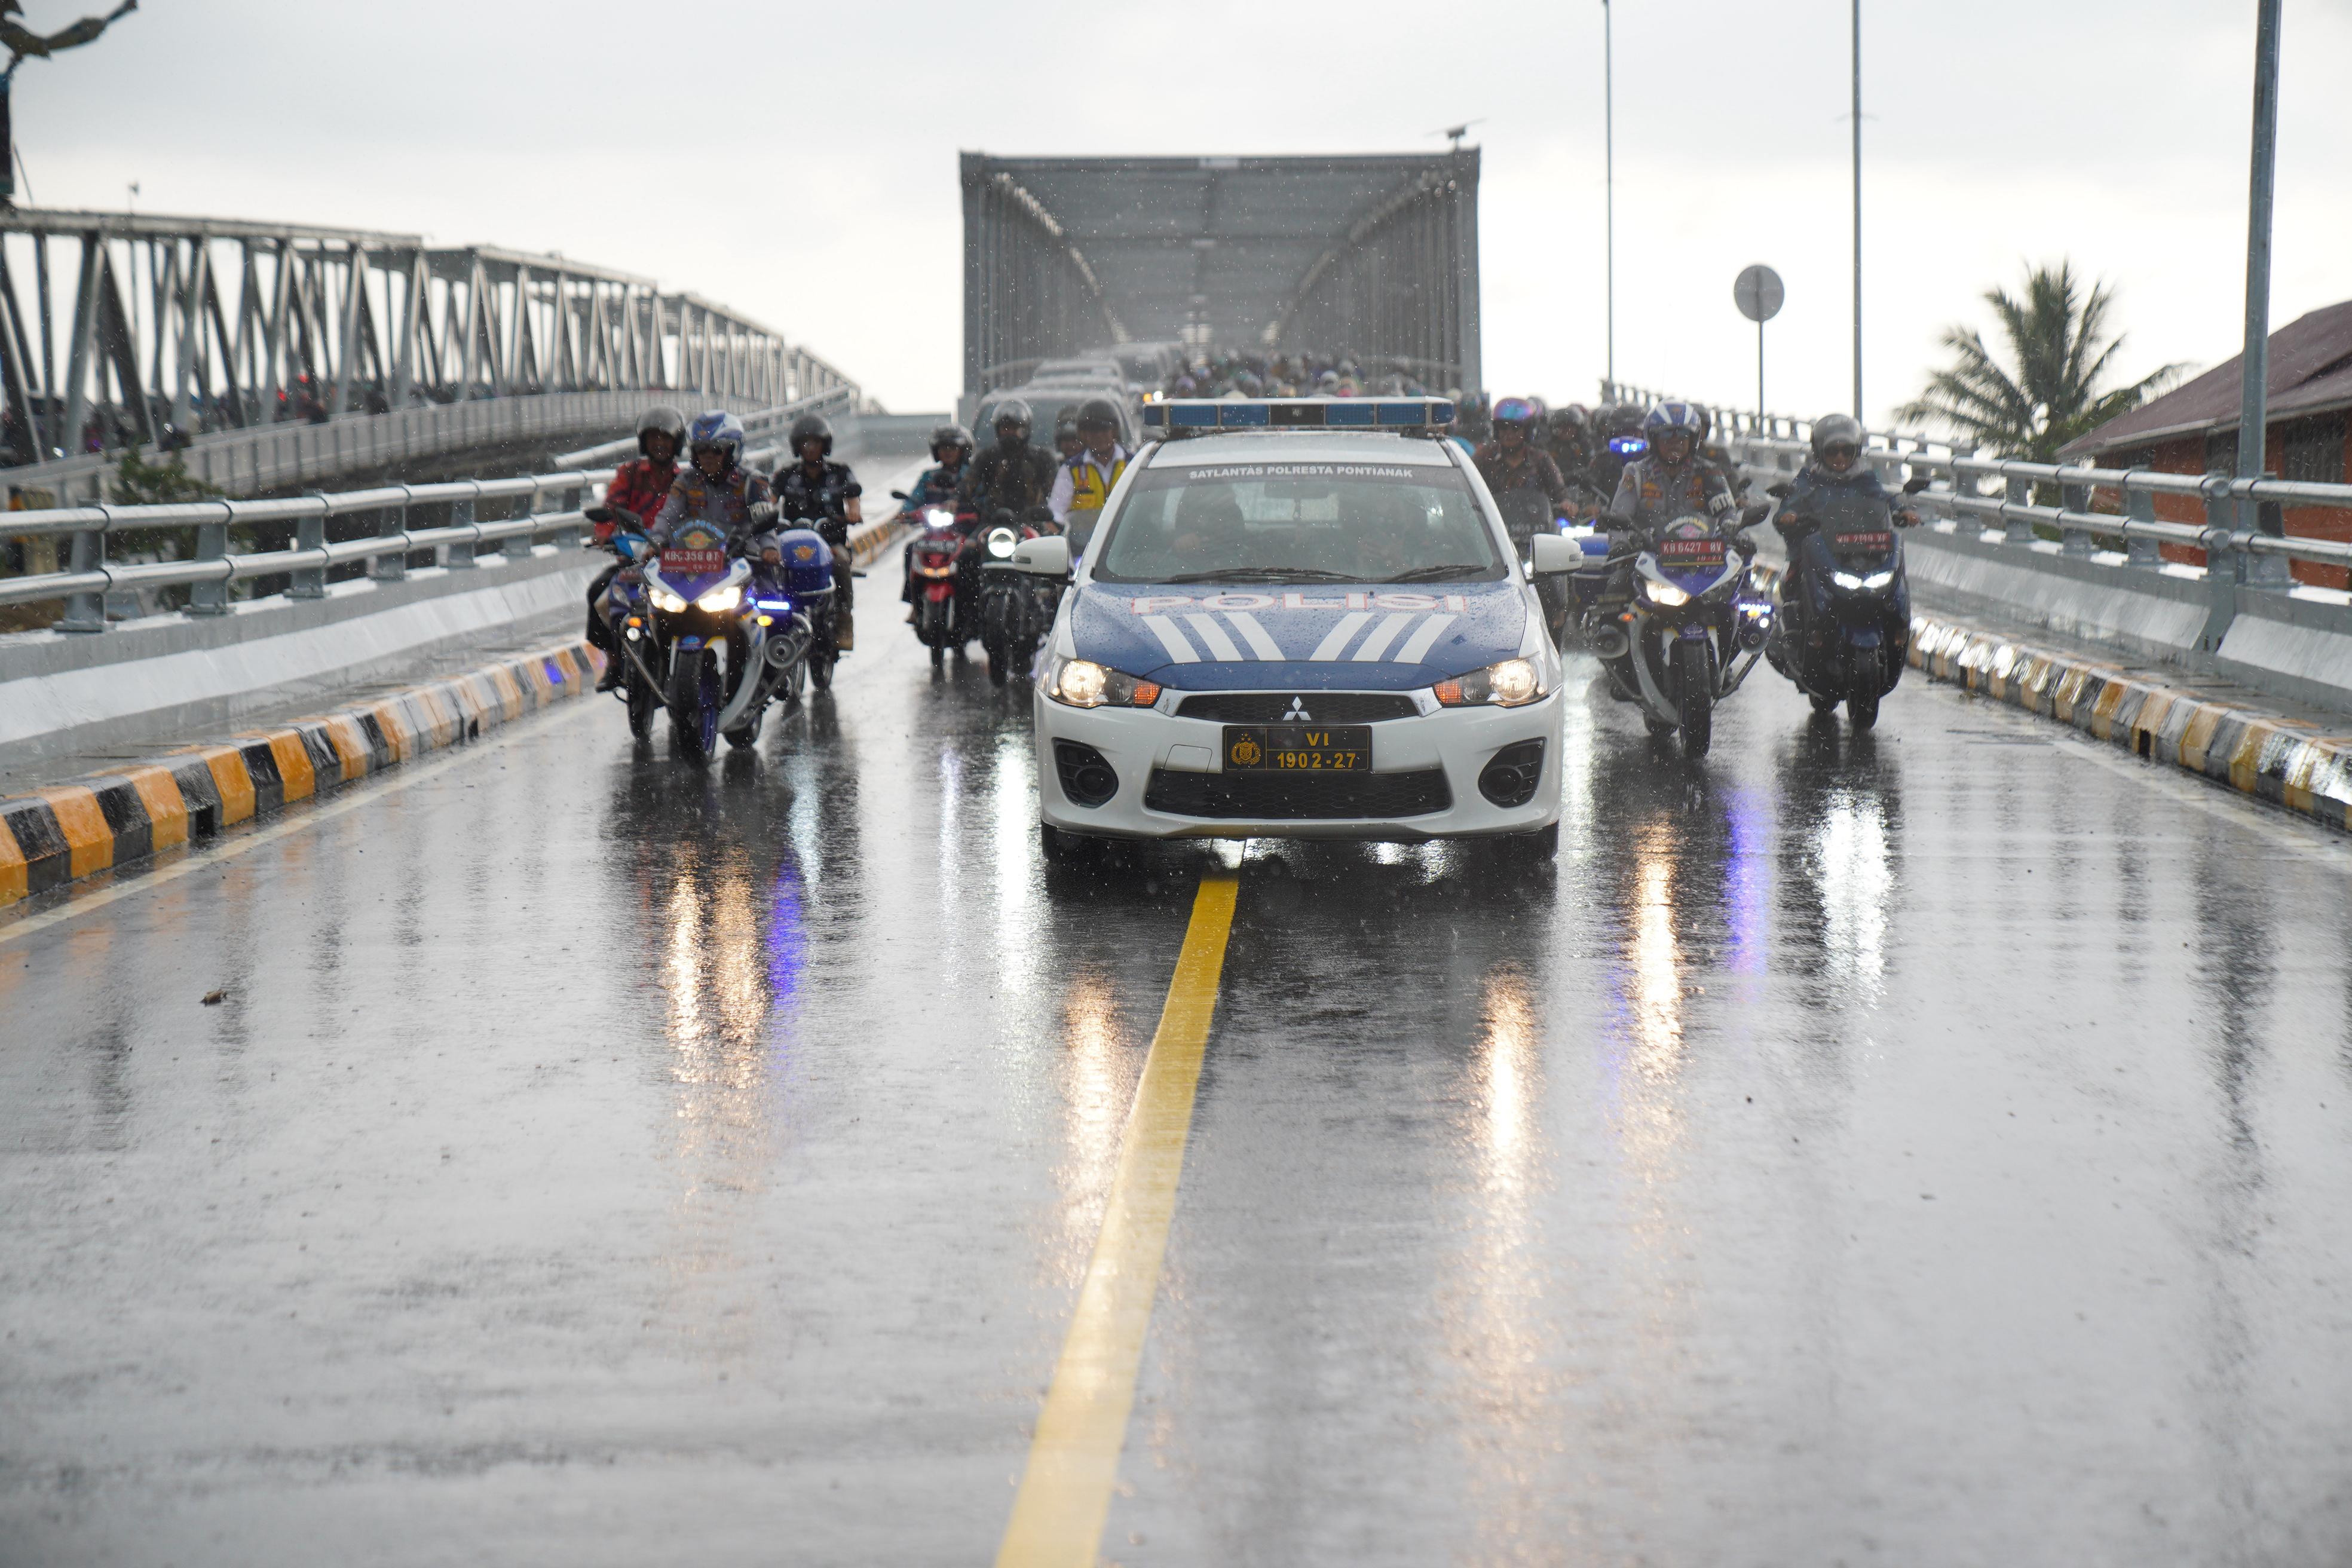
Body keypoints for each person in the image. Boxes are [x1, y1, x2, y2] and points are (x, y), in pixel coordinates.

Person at [1771, 413, 1918, 645]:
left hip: (1862, 552)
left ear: (1855, 452)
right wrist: (1789, 517)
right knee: (1792, 584)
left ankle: (1897, 631)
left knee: (1894, 584)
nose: (1840, 457)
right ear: (1820, 452)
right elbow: (1788, 508)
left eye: (1846, 450)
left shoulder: (1866, 480)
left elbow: (1885, 501)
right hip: (1822, 554)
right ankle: (1795, 633)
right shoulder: (1808, 482)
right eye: (1832, 451)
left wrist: (1902, 512)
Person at [589, 405, 685, 690]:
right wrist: (604, 534)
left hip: (673, 561)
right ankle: (614, 661)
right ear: (644, 441)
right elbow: (612, 509)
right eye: (654, 437)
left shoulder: (686, 480)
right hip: (634, 557)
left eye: (666, 438)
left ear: (676, 442)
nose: (659, 444)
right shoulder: (628, 474)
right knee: (598, 593)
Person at [773, 411, 862, 650]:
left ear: (825, 445)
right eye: (805, 443)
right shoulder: (786, 476)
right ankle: (776, 623)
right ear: (797, 447)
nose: (810, 447)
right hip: (792, 546)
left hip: (831, 544)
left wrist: (853, 512)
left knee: (842, 564)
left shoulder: (840, 473)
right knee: (770, 571)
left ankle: (844, 623)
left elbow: (853, 497)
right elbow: (768, 500)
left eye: (815, 442)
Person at [1472, 396, 1572, 544]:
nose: (1509, 433)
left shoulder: (1541, 460)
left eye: (1515, 428)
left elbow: (1559, 491)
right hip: (1493, 535)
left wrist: (1566, 503)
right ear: (1496, 430)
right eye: (1503, 427)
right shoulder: (1484, 458)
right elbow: (1469, 488)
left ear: (1528, 430)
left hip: (1535, 535)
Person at [900, 422, 974, 619]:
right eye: (943, 448)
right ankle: (914, 605)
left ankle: (974, 604)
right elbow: (914, 499)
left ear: (963, 450)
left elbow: (982, 499)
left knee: (971, 558)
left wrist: (972, 511)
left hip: (963, 532)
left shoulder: (972, 476)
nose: (948, 452)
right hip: (934, 532)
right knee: (911, 550)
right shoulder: (928, 476)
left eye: (953, 448)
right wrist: (905, 513)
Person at [1047, 397, 1131, 550]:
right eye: (1091, 430)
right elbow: (1056, 511)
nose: (1098, 436)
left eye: (1104, 429)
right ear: (1082, 435)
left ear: (1115, 432)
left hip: (1127, 545)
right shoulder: (1071, 469)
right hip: (1084, 548)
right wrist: (1056, 526)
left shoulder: (1132, 464)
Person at [963, 397, 1058, 520]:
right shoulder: (986, 457)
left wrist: (1046, 512)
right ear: (998, 430)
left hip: (1033, 522)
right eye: (1005, 428)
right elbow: (968, 484)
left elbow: (1057, 493)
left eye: (1015, 428)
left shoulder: (1042, 458)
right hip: (993, 522)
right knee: (969, 541)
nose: (1010, 433)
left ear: (1025, 430)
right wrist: (957, 501)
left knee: (1055, 539)